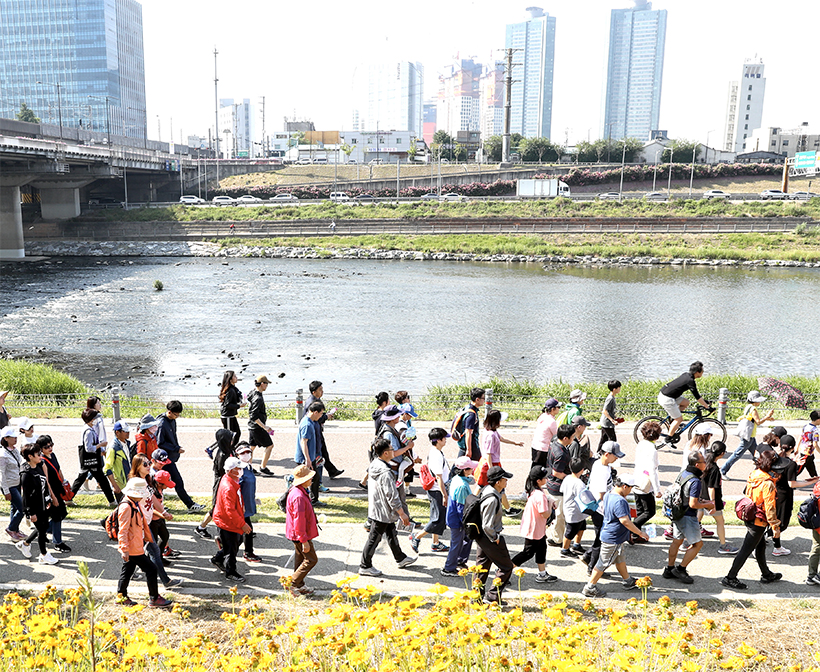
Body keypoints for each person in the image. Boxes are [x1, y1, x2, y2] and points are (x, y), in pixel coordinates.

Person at [720, 450, 788, 590]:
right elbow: (770, 509)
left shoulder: (754, 475)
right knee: (745, 550)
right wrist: (775, 528)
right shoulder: (768, 484)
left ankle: (766, 574)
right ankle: (730, 577)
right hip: (758, 521)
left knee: (761, 546)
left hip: (750, 515)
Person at [582, 475, 648, 598]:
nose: (630, 491)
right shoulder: (620, 501)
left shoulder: (609, 494)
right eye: (630, 488)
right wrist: (640, 533)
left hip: (611, 535)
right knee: (603, 563)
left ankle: (628, 581)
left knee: (620, 559)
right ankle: (589, 587)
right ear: (624, 486)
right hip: (613, 538)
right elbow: (625, 521)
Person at [359, 437, 417, 576]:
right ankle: (365, 565)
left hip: (378, 508)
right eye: (391, 449)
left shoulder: (375, 464)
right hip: (383, 511)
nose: (393, 451)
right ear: (385, 453)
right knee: (374, 538)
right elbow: (391, 494)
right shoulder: (385, 472)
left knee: (391, 532)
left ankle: (400, 558)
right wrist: (402, 513)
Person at [116, 477, 173, 609]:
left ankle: (121, 596)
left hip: (135, 544)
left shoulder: (132, 503)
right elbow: (122, 530)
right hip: (132, 547)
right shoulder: (126, 507)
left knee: (128, 571)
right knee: (151, 569)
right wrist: (124, 548)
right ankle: (154, 598)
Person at [664, 451, 715, 585]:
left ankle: (669, 569)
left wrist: (702, 501)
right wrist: (708, 505)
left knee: (677, 541)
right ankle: (681, 569)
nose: (706, 463)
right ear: (698, 465)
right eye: (704, 461)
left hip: (677, 512)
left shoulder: (683, 474)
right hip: (688, 516)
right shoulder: (695, 481)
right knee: (698, 544)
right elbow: (693, 504)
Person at [474, 466, 515, 606]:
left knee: (482, 567)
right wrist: (495, 538)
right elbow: (487, 525)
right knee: (506, 567)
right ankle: (492, 596)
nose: (506, 482)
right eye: (504, 479)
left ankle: (476, 597)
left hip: (481, 536)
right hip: (489, 537)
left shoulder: (487, 490)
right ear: (497, 482)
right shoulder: (492, 499)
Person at [771, 434, 818, 556]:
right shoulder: (790, 464)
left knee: (774, 520)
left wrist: (795, 463)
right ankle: (767, 543)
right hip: (785, 497)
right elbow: (791, 484)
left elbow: (784, 471)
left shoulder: (775, 457)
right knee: (782, 524)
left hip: (773, 493)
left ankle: (776, 545)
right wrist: (811, 481)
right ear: (792, 448)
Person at [511, 465, 557, 583]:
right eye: (545, 477)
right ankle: (504, 570)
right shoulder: (540, 495)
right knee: (527, 553)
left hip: (536, 528)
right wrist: (551, 503)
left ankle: (542, 574)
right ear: (539, 481)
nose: (547, 479)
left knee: (542, 548)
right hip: (534, 529)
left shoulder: (535, 491)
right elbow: (545, 514)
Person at [156, 400, 203, 514]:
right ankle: (190, 505)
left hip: (169, 457)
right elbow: (160, 443)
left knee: (163, 483)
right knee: (177, 481)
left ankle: (159, 505)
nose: (177, 417)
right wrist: (176, 449)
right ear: (170, 412)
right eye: (176, 415)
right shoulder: (162, 423)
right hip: (164, 459)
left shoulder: (171, 421)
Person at [15, 444, 59, 565]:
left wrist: (50, 498)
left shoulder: (38, 465)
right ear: (30, 456)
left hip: (44, 504)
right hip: (35, 507)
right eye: (38, 454)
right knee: (41, 529)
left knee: (43, 528)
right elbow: (27, 496)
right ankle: (44, 555)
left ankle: (25, 544)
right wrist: (31, 513)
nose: (40, 456)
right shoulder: (26, 474)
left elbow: (45, 484)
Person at [584, 441, 624, 574]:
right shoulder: (601, 470)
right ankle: (592, 568)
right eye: (615, 455)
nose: (617, 458)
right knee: (600, 541)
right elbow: (601, 495)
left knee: (599, 538)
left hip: (599, 509)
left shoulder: (601, 464)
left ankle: (588, 557)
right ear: (607, 454)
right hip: (600, 510)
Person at [211, 456, 252, 583]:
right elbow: (230, 511)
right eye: (238, 468)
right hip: (227, 523)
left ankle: (218, 559)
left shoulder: (230, 480)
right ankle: (231, 572)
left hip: (229, 521)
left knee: (235, 543)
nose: (241, 470)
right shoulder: (228, 487)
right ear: (230, 471)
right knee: (231, 550)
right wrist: (242, 524)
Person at [476, 409, 523, 517]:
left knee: (489, 487)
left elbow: (501, 438)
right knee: (486, 487)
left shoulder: (491, 432)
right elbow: (488, 454)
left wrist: (515, 443)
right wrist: (492, 470)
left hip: (491, 464)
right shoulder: (490, 435)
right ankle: (508, 509)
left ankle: (508, 509)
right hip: (491, 464)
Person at [410, 428, 450, 554]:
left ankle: (436, 543)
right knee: (438, 519)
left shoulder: (435, 451)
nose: (446, 440)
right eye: (444, 438)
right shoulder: (437, 455)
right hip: (438, 490)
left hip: (436, 490)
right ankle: (416, 537)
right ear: (438, 440)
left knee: (436, 516)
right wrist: (444, 495)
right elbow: (439, 477)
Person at [194, 428, 236, 539]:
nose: (232, 440)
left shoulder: (228, 449)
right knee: (217, 507)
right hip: (221, 484)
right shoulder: (222, 455)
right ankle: (201, 527)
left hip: (226, 483)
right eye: (230, 438)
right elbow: (224, 473)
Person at [722, 391, 774, 478]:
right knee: (737, 454)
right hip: (748, 436)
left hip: (750, 435)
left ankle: (763, 472)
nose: (760, 402)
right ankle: (722, 470)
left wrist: (767, 418)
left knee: (758, 454)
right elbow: (758, 422)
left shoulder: (748, 407)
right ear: (755, 401)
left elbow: (752, 420)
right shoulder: (753, 409)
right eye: (759, 400)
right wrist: (767, 416)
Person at [440, 456, 478, 577]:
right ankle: (449, 568)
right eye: (471, 468)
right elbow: (461, 508)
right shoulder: (462, 486)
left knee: (465, 540)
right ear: (465, 470)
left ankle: (460, 561)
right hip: (457, 520)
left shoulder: (456, 478)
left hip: (453, 516)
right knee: (456, 543)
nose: (472, 470)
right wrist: (466, 523)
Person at [285, 464, 320, 596]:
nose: (311, 480)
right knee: (311, 559)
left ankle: (299, 584)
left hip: (297, 534)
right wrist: (304, 540)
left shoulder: (296, 491)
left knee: (300, 559)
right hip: (300, 534)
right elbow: (299, 521)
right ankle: (293, 583)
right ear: (304, 480)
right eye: (309, 478)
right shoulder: (299, 496)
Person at [657, 361, 712, 441]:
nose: (703, 373)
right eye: (702, 371)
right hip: (667, 398)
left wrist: (705, 402)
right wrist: (707, 407)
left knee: (686, 402)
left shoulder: (686, 375)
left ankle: (674, 422)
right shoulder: (690, 381)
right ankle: (668, 439)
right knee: (679, 419)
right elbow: (697, 396)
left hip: (668, 395)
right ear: (697, 372)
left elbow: (697, 396)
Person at [701, 441, 739, 555]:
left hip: (699, 498)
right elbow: (711, 487)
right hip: (710, 500)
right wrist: (713, 503)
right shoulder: (714, 469)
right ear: (722, 454)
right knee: (720, 521)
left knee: (695, 520)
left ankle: (685, 542)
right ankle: (723, 545)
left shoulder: (703, 463)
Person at [72, 408, 115, 504]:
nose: (96, 420)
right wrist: (101, 445)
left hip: (89, 461)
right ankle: (112, 501)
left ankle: (68, 498)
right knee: (102, 480)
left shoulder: (87, 428)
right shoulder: (88, 431)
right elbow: (89, 448)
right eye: (95, 418)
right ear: (91, 419)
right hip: (91, 460)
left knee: (81, 479)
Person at [37, 435, 71, 553]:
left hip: (58, 489)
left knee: (62, 513)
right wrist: (53, 497)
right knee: (57, 516)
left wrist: (64, 481)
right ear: (41, 448)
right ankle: (57, 542)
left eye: (51, 444)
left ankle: (45, 530)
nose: (50, 448)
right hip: (51, 492)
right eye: (46, 447)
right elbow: (46, 481)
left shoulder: (53, 455)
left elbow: (59, 469)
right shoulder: (42, 461)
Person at [306, 380, 344, 482]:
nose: (322, 391)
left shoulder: (314, 399)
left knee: (323, 452)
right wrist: (326, 416)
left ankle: (332, 471)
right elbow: (315, 418)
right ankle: (316, 480)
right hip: (315, 432)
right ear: (314, 392)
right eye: (320, 390)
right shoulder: (312, 403)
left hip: (317, 431)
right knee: (319, 455)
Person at [631, 421, 663, 542]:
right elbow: (652, 471)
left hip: (637, 480)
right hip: (645, 484)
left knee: (640, 511)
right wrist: (657, 490)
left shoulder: (641, 444)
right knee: (649, 511)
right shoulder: (652, 449)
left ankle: (635, 535)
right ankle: (632, 528)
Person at [545, 424, 575, 546]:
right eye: (572, 437)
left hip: (551, 484)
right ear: (566, 438)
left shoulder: (554, 444)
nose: (574, 439)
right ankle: (557, 539)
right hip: (557, 486)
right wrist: (569, 478)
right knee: (559, 515)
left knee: (556, 513)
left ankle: (555, 534)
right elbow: (557, 472)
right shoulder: (561, 453)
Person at [559, 458, 590, 559]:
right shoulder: (579, 483)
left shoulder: (567, 478)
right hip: (574, 511)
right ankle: (565, 549)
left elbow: (562, 489)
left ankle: (577, 545)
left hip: (572, 509)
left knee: (581, 527)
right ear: (582, 470)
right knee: (570, 531)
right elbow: (583, 496)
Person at [296, 401, 325, 505]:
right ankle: (285, 498)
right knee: (302, 481)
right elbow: (303, 442)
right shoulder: (307, 424)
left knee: (314, 478)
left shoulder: (309, 421)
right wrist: (307, 459)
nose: (321, 416)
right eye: (321, 413)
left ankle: (313, 500)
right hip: (305, 458)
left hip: (309, 457)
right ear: (315, 412)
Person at [236, 443, 261, 563]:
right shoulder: (240, 469)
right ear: (237, 455)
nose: (246, 455)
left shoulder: (249, 467)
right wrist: (241, 505)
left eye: (248, 452)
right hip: (242, 507)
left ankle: (224, 543)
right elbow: (237, 489)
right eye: (242, 453)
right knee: (247, 529)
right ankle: (248, 552)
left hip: (248, 503)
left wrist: (253, 498)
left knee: (243, 529)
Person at [247, 375, 275, 477]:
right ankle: (263, 467)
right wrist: (265, 427)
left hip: (252, 426)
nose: (267, 386)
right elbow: (254, 416)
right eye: (266, 383)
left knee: (252, 447)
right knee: (270, 445)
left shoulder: (253, 392)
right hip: (257, 427)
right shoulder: (258, 398)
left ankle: (248, 467)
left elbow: (248, 397)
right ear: (262, 384)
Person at [1, 425, 25, 541]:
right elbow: (1, 475)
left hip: (17, 482)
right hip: (10, 485)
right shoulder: (2, 454)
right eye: (12, 437)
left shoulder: (14, 450)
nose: (15, 439)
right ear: (6, 438)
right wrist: (6, 491)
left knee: (15, 508)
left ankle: (15, 530)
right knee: (22, 508)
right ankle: (11, 528)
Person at [104, 420, 133, 502]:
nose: (128, 433)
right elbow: (107, 468)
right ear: (117, 432)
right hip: (120, 485)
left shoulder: (127, 444)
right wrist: (115, 486)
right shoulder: (112, 447)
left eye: (128, 431)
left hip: (129, 482)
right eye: (125, 431)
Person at [454, 388, 485, 461]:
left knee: (461, 466)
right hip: (471, 445)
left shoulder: (467, 407)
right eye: (483, 398)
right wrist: (469, 450)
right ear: (477, 399)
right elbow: (468, 432)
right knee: (477, 467)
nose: (484, 400)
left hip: (464, 444)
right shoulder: (471, 414)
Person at [531, 398, 561, 468]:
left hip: (535, 446)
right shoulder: (551, 421)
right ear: (553, 409)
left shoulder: (543, 416)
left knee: (535, 468)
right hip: (543, 449)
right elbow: (556, 435)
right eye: (558, 407)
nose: (559, 409)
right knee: (540, 470)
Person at [219, 371, 246, 447]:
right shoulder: (230, 390)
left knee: (237, 433)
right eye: (234, 376)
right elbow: (228, 404)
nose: (236, 377)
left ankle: (232, 450)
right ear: (230, 379)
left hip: (231, 415)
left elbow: (237, 397)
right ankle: (226, 451)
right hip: (227, 416)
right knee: (229, 436)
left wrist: (242, 399)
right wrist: (239, 406)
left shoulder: (233, 388)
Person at [599, 380, 624, 450]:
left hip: (606, 422)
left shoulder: (612, 397)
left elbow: (609, 411)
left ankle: (599, 453)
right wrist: (612, 420)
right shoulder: (610, 398)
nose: (620, 389)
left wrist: (614, 417)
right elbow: (605, 411)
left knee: (604, 439)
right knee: (613, 440)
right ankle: (611, 454)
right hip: (607, 423)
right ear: (614, 389)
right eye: (619, 388)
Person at [568, 416, 593, 482]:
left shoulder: (569, 436)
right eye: (584, 426)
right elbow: (574, 460)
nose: (585, 428)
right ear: (579, 427)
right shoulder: (574, 443)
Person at [798, 411, 820, 479]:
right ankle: (788, 480)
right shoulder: (815, 430)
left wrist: (797, 448)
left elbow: (800, 437)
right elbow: (815, 444)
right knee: (798, 469)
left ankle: (816, 479)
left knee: (811, 468)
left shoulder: (805, 426)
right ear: (818, 420)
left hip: (805, 451)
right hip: (807, 453)